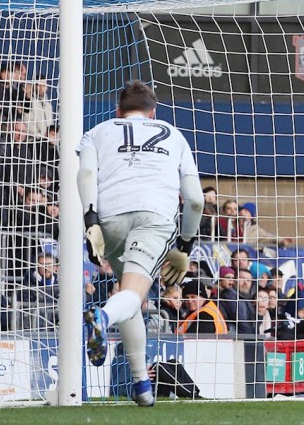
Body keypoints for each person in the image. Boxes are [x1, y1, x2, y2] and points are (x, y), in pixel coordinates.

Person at [78, 80, 204, 407]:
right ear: (153, 113)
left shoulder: (97, 131)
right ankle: (102, 318)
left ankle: (142, 385)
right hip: (153, 219)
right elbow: (195, 200)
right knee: (134, 294)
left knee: (131, 296)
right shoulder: (173, 134)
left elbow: (86, 174)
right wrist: (184, 246)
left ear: (118, 111)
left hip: (110, 219)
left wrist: (90, 221)